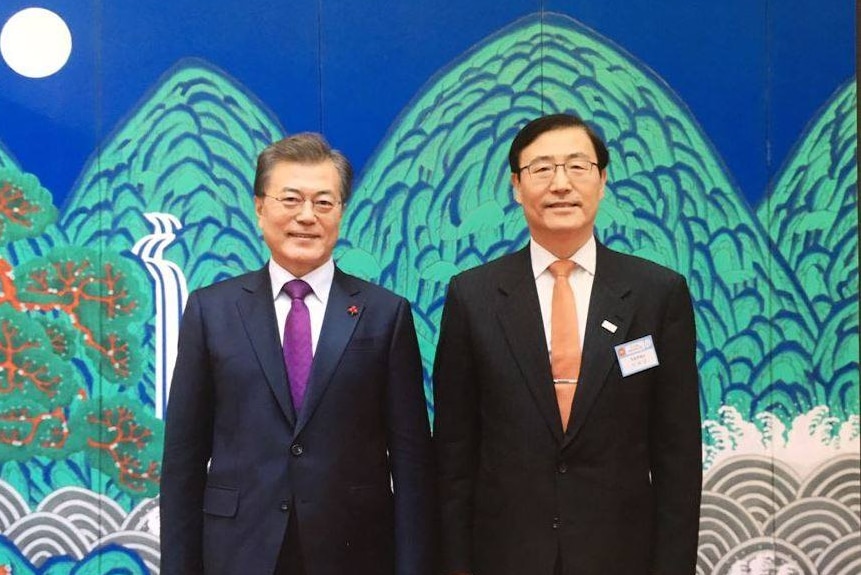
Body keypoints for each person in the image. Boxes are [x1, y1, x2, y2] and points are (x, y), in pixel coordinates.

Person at [433, 114, 702, 575]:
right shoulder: (472, 296)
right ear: (517, 186)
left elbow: (678, 454)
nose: (560, 184)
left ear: (602, 180)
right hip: (505, 556)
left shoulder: (657, 294)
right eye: (541, 169)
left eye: (577, 167)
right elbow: (455, 453)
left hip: (621, 555)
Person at [160, 133, 435, 575]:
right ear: (260, 207)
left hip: (355, 550)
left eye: (323, 203)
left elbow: (412, 463)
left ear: (341, 213)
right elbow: (182, 461)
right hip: (238, 548)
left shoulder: (385, 315)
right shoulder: (211, 311)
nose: (306, 216)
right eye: (291, 199)